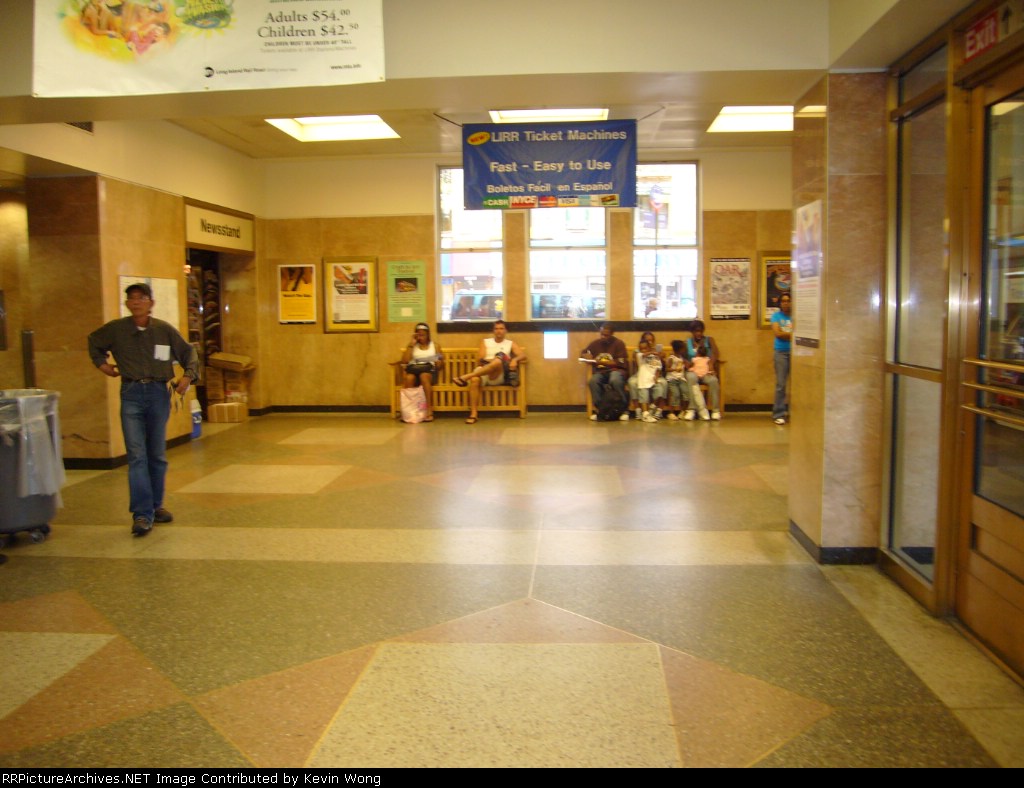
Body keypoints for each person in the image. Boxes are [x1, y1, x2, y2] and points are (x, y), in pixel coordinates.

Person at [88, 282, 199, 537]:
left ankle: (156, 505)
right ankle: (141, 513)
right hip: (131, 394)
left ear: (151, 303)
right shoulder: (116, 330)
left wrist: (188, 376)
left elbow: (188, 352)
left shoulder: (163, 330)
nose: (136, 302)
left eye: (141, 298)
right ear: (127, 304)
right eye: (131, 299)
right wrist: (101, 364)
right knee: (137, 455)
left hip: (158, 393)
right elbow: (93, 342)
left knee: (157, 454)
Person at [453, 319, 524, 424]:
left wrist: (514, 359)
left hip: (498, 375)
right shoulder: (485, 342)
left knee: (499, 360)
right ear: (493, 331)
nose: (499, 331)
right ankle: (473, 414)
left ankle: (465, 377)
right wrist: (495, 361)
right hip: (483, 372)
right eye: (496, 329)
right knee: (475, 380)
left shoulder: (510, 343)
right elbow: (480, 359)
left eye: (501, 328)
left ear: (505, 331)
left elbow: (522, 355)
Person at [582, 323, 629, 421]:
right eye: (601, 334)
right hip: (601, 372)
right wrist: (585, 355)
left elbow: (619, 362)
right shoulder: (596, 343)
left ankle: (623, 409)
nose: (603, 337)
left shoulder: (619, 343)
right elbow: (584, 352)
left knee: (615, 379)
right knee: (593, 381)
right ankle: (601, 410)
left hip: (616, 370)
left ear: (612, 334)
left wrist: (600, 361)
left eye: (606, 335)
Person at [401, 322, 444, 422]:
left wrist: (438, 362)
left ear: (428, 334)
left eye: (423, 335)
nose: (420, 337)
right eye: (418, 335)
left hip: (430, 373)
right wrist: (411, 344)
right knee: (409, 378)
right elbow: (405, 361)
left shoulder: (435, 346)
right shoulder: (412, 346)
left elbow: (441, 362)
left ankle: (429, 409)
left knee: (424, 376)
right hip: (414, 371)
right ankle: (410, 411)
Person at [682, 319, 722, 421]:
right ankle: (692, 409)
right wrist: (687, 363)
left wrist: (711, 363)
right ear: (692, 332)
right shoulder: (688, 342)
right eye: (696, 331)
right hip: (694, 370)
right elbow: (683, 357)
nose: (698, 333)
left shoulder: (709, 340)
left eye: (700, 331)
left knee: (713, 381)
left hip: (706, 370)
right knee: (691, 378)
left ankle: (715, 410)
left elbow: (716, 353)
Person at [628, 330, 666, 419]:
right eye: (647, 340)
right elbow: (638, 358)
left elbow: (660, 364)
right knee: (632, 382)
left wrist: (661, 356)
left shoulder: (657, 350)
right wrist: (650, 352)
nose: (650, 342)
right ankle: (638, 409)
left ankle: (658, 410)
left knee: (663, 383)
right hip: (641, 374)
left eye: (651, 340)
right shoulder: (638, 351)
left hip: (655, 374)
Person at [771, 292, 793, 425]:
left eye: (788, 300)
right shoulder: (776, 316)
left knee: (798, 385)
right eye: (783, 301)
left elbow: (801, 333)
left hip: (796, 353)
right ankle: (778, 413)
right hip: (781, 353)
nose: (786, 303)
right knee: (781, 384)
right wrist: (792, 334)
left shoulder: (795, 316)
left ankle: (795, 411)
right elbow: (777, 333)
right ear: (780, 303)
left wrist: (787, 334)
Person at [663, 339, 689, 420]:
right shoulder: (671, 358)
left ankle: (683, 411)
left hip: (681, 378)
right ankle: (671, 412)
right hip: (672, 378)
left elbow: (687, 365)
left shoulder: (682, 358)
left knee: (685, 392)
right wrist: (674, 370)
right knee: (675, 394)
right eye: (684, 348)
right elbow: (666, 369)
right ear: (679, 349)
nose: (685, 350)